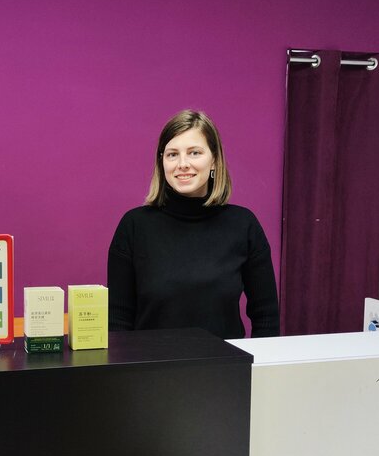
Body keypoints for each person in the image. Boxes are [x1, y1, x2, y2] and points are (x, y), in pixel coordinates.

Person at [107, 110, 280, 339]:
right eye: (172, 154)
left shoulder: (243, 225)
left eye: (194, 153)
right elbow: (117, 321)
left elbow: (266, 317)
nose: (183, 164)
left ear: (214, 161)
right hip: (151, 362)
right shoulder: (134, 226)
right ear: (162, 162)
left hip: (225, 361)